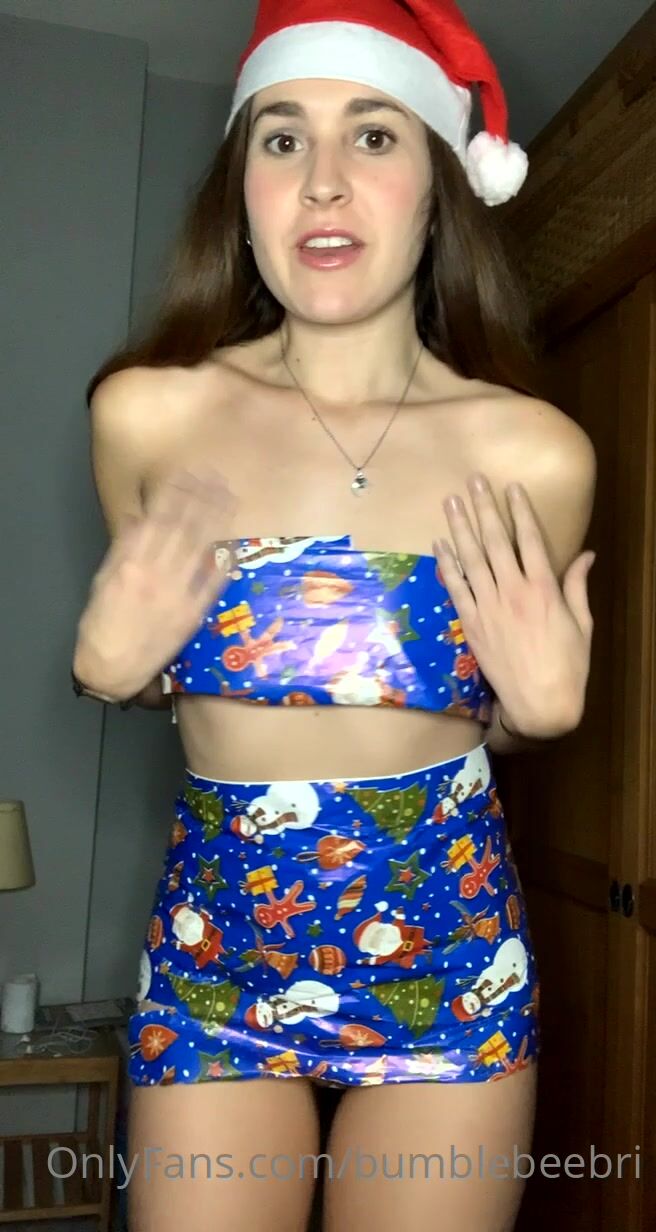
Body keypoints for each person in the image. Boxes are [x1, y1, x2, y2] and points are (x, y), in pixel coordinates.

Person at [72, 1, 596, 1229]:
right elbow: (165, 667)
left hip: (449, 960)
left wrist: (533, 718)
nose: (320, 180)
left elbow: (481, 721)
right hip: (216, 952)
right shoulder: (143, 416)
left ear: (437, 187)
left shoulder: (534, 454)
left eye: (370, 135)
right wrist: (108, 673)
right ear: (241, 191)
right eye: (280, 138)